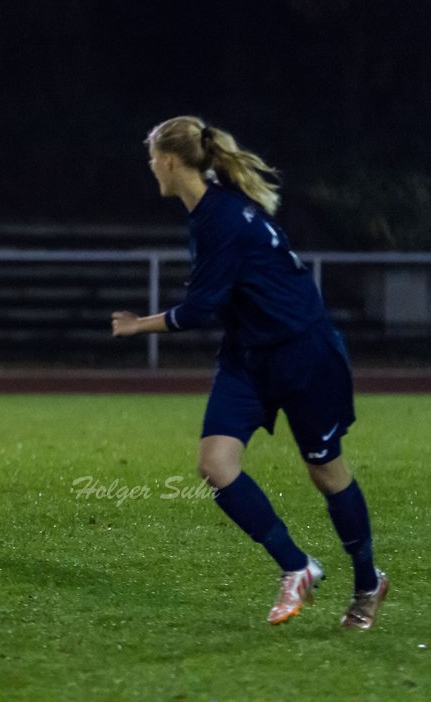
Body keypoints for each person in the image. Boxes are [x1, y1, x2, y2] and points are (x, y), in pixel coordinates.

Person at [111, 115, 386, 629]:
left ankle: (368, 582)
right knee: (216, 465)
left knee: (326, 473)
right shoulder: (211, 212)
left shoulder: (222, 217)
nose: (150, 166)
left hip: (304, 354)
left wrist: (136, 326)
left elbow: (198, 310)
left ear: (170, 161)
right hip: (248, 356)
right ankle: (296, 566)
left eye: (152, 157)